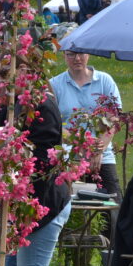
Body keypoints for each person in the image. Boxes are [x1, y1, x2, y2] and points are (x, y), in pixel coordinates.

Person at [0, 54, 82, 266]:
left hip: (44, 205)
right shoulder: (8, 104)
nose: (5, 77)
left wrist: (16, 153)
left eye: (11, 70)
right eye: (1, 72)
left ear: (30, 71)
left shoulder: (42, 104)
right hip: (20, 206)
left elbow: (47, 156)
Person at [50, 49, 124, 197]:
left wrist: (98, 150)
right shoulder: (55, 84)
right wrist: (82, 144)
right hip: (68, 156)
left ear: (88, 54)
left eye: (81, 53)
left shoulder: (104, 81)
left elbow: (113, 119)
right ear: (64, 55)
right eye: (71, 54)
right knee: (68, 204)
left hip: (101, 154)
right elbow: (55, 125)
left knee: (114, 203)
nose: (77, 58)